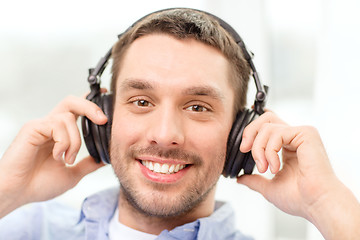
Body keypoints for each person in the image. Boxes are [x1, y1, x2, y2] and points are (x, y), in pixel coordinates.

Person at [0, 8, 359, 240]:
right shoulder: (29, 229)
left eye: (198, 107)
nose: (165, 134)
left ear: (241, 132)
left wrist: (326, 204)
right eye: (142, 102)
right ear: (102, 116)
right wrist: (7, 190)